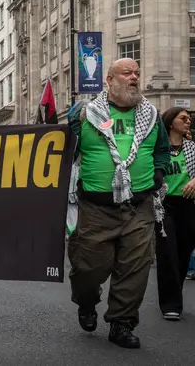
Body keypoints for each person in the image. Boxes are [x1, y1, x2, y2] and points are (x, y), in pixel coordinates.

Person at [67, 58, 170, 349]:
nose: (134, 77)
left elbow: (161, 151)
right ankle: (86, 302)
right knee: (88, 269)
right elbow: (62, 149)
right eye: (127, 73)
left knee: (134, 269)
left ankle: (122, 323)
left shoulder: (151, 115)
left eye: (137, 73)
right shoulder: (84, 113)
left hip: (139, 206)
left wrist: (158, 174)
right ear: (109, 80)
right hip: (95, 208)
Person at [155, 107, 195, 320]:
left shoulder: (192, 147)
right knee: (168, 253)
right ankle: (171, 303)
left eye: (189, 118)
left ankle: (174, 291)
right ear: (171, 123)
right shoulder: (158, 148)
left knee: (183, 253)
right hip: (165, 206)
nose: (188, 121)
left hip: (189, 206)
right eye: (183, 118)